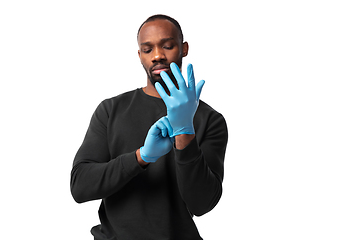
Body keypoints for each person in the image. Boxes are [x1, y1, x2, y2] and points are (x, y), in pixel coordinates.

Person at [71, 14, 228, 240]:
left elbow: (202, 203)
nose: (157, 56)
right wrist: (141, 157)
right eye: (147, 50)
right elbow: (80, 186)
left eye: (167, 46)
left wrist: (184, 132)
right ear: (139, 55)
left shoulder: (210, 120)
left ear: (183, 48)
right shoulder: (111, 110)